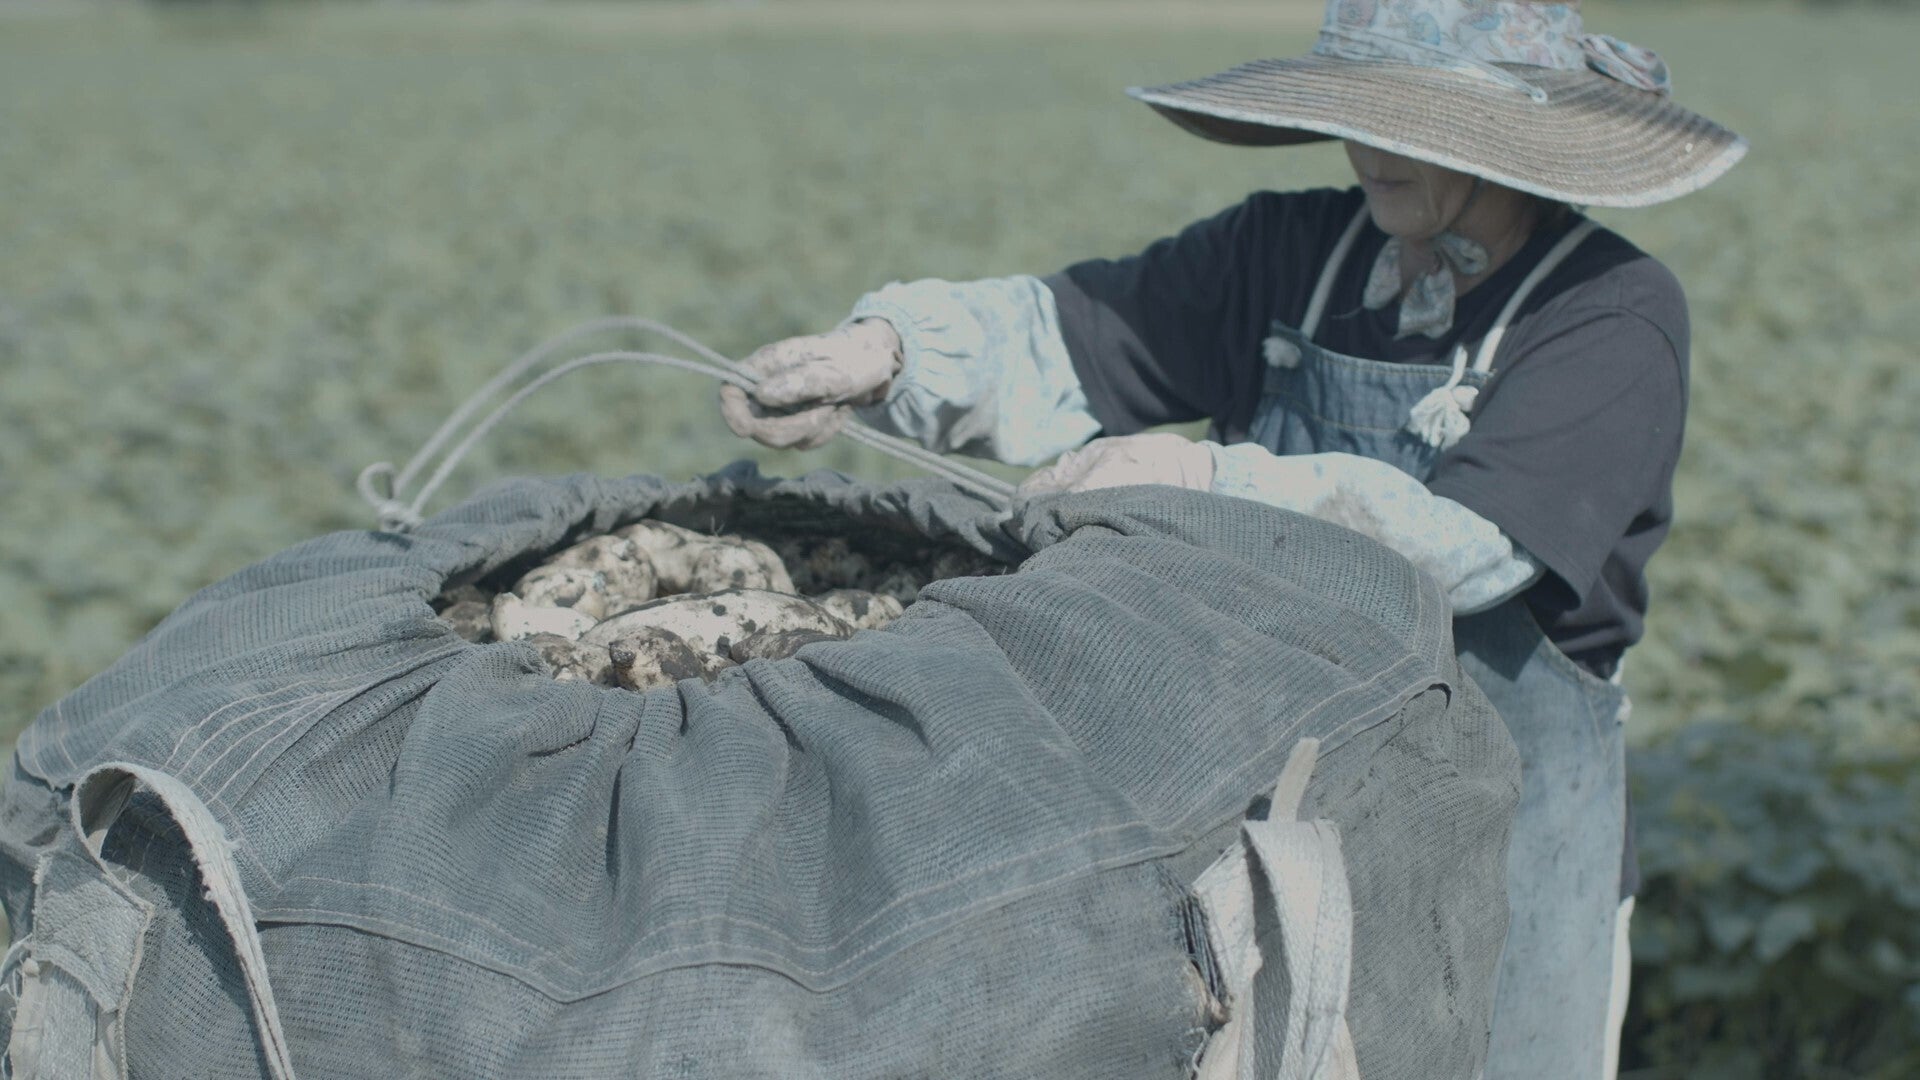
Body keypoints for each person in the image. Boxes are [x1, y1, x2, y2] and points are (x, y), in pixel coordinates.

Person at [718, 1, 1744, 1076]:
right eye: (1356, 115)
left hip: (1510, 847)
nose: (1366, 150)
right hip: (1280, 815)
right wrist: (890, 356)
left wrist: (1201, 478)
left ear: (1505, 142)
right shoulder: (1290, 249)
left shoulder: (1610, 311)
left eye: (1407, 126)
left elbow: (1470, 544)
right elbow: (1073, 335)